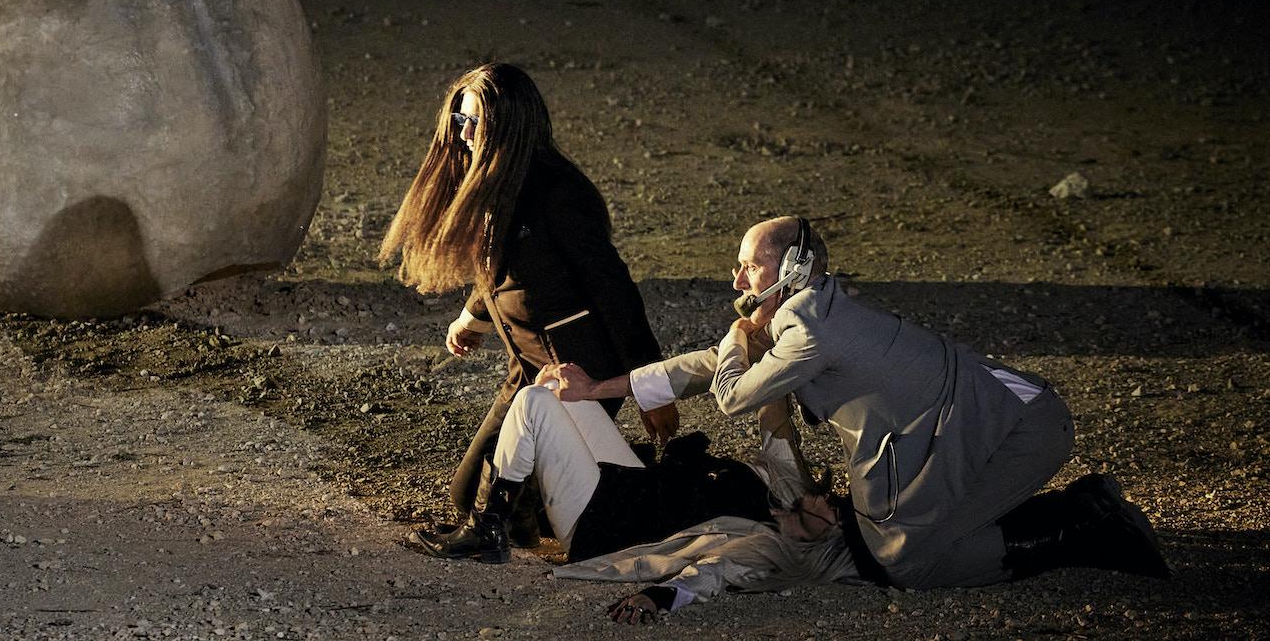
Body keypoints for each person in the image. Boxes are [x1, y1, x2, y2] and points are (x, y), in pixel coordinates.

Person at [551, 216, 1170, 589]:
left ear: (792, 266)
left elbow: (733, 394)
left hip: (1018, 429)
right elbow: (709, 366)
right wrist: (598, 389)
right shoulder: (808, 311)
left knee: (909, 561)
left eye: (748, 266)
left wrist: (740, 338)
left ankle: (1084, 528)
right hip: (984, 420)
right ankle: (1081, 513)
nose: (737, 281)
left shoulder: (810, 330)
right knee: (909, 542)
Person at [379, 63, 677, 543]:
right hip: (527, 367)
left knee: (532, 512)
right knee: (467, 497)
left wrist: (649, 388)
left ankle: (641, 485)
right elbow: (501, 270)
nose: (464, 134)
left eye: (476, 121)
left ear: (511, 125)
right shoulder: (497, 184)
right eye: (460, 120)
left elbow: (614, 288)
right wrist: (470, 317)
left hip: (578, 373)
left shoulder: (559, 193)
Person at [407, 364, 858, 622]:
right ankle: (518, 520)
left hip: (602, 522)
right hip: (629, 480)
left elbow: (713, 573)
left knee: (532, 403)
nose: (826, 497)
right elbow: (774, 419)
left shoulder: (763, 544)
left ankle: (488, 530)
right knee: (556, 388)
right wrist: (775, 350)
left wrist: (658, 597)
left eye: (834, 508)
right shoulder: (784, 488)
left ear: (828, 534)